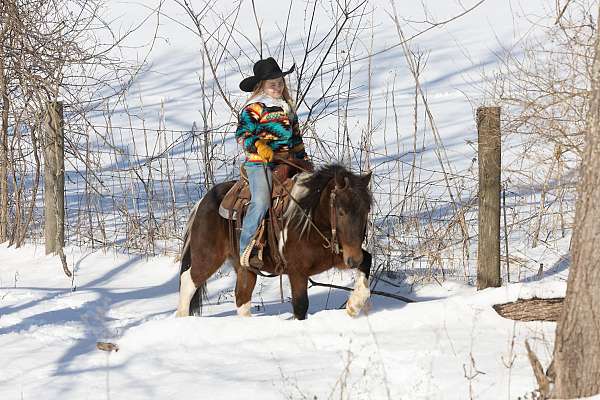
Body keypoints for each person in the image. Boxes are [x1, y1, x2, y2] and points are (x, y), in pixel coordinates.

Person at [235, 57, 309, 267]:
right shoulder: (254, 107)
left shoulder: (287, 107)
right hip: (260, 163)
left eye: (280, 82)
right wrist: (259, 145)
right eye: (272, 84)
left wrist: (303, 161)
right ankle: (246, 248)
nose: (277, 87)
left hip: (288, 161)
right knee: (261, 201)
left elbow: (296, 138)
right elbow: (242, 134)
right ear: (261, 86)